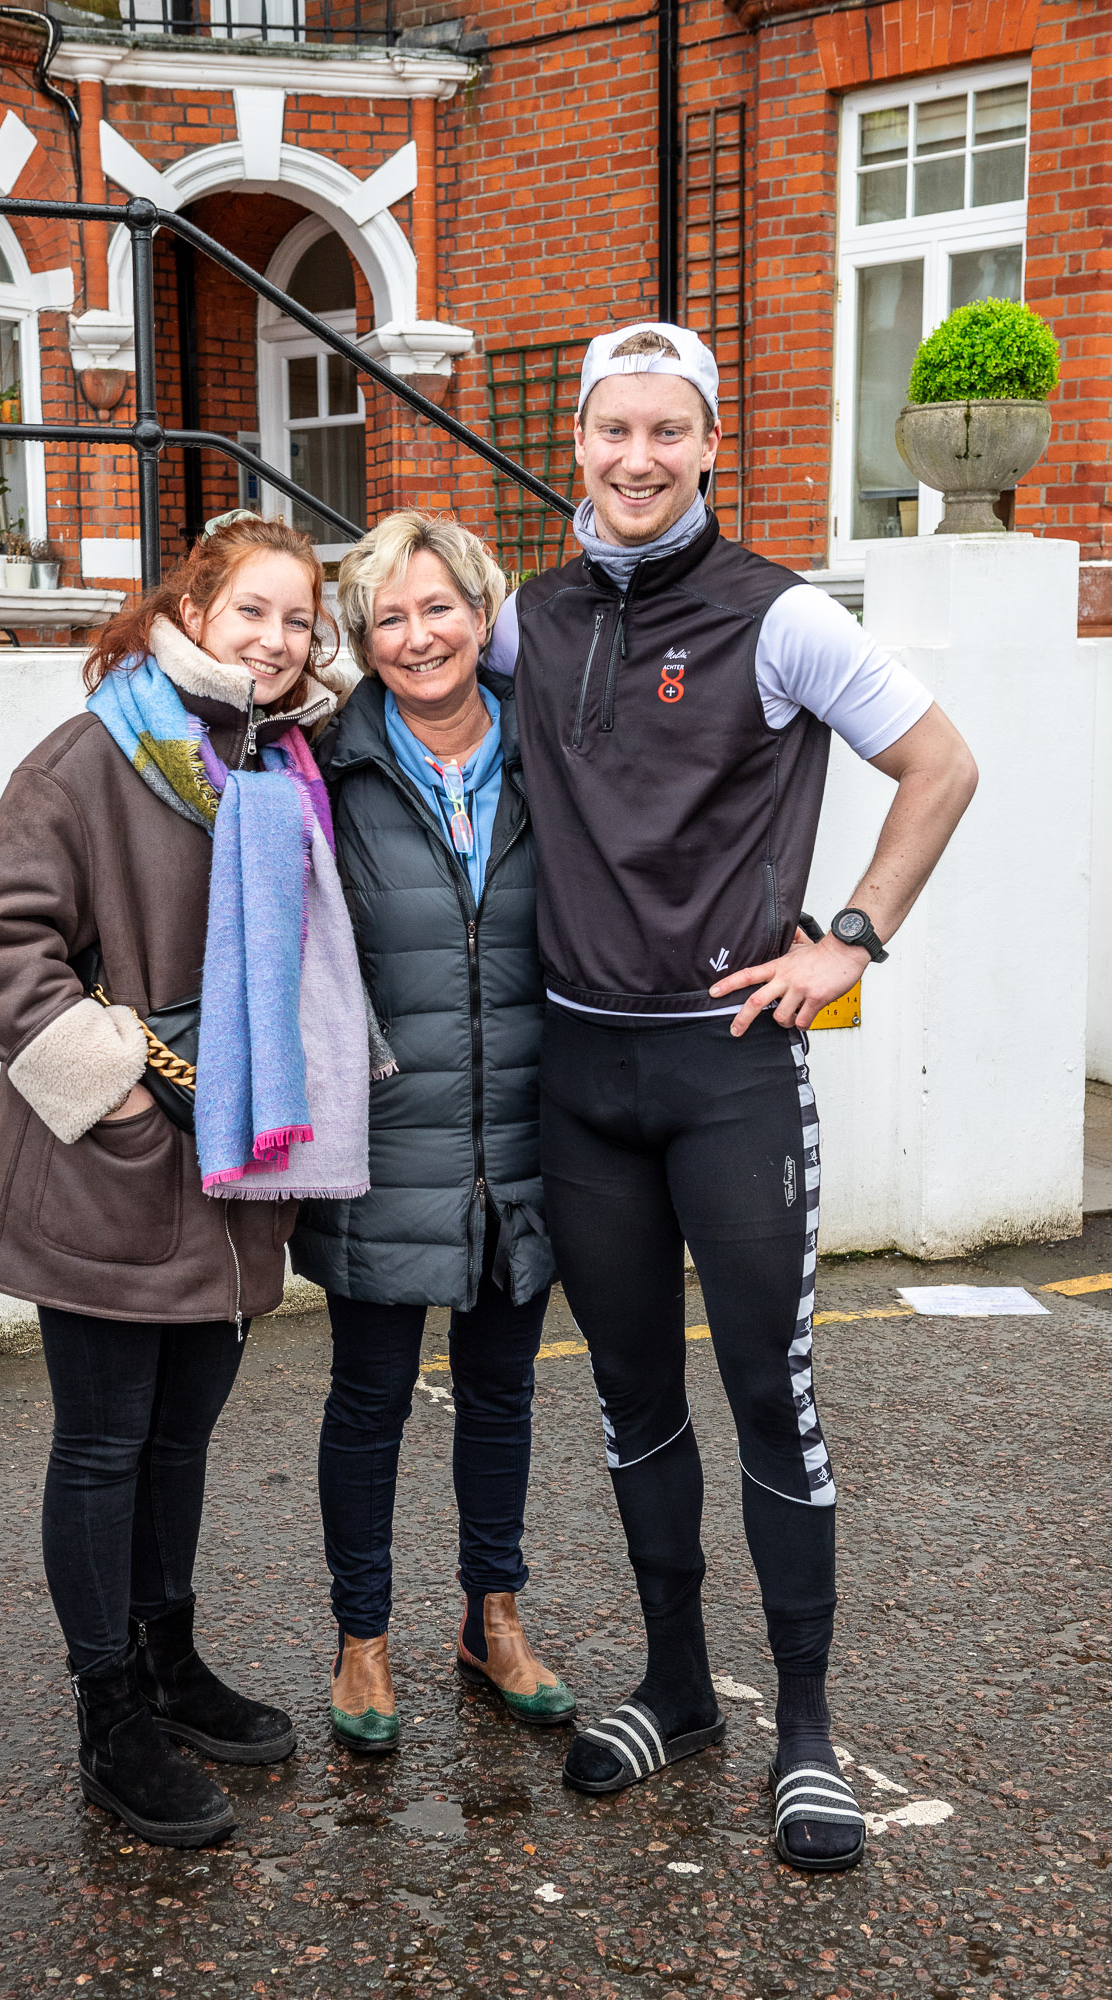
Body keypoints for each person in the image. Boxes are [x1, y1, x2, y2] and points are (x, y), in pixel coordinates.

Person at [487, 324, 977, 1873]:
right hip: (580, 1075)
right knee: (632, 1403)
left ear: (709, 447)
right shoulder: (528, 619)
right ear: (578, 441)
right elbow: (403, 664)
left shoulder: (778, 618)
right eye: (611, 431)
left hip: (726, 1075)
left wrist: (848, 939)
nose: (636, 459)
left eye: (666, 433)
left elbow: (942, 766)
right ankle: (679, 1689)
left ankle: (807, 1732)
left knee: (771, 1397)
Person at [0, 514, 369, 1847]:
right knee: (104, 1445)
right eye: (252, 610)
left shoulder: (280, 757)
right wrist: (121, 1085)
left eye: (300, 620)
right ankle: (107, 1712)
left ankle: (169, 1663)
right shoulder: (94, 752)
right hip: (116, 1170)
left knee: (180, 1440)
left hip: (233, 1173)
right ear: (191, 606)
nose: (276, 639)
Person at [290, 511, 577, 1752]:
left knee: (502, 1391)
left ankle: (492, 1617)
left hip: (523, 1127)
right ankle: (363, 1639)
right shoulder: (318, 763)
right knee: (367, 1398)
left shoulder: (555, 750)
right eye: (388, 617)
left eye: (438, 608)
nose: (417, 637)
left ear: (482, 610)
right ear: (361, 638)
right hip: (383, 1131)